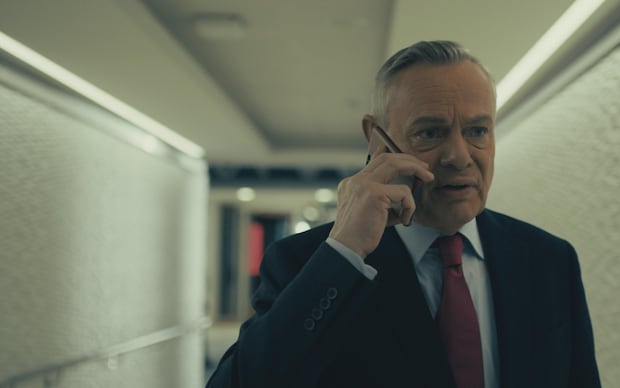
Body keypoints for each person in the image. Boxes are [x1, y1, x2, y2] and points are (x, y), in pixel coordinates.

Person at [206, 40, 600, 388]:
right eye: (430, 133)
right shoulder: (307, 263)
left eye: (478, 131)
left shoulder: (550, 260)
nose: (459, 156)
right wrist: (344, 252)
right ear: (377, 139)